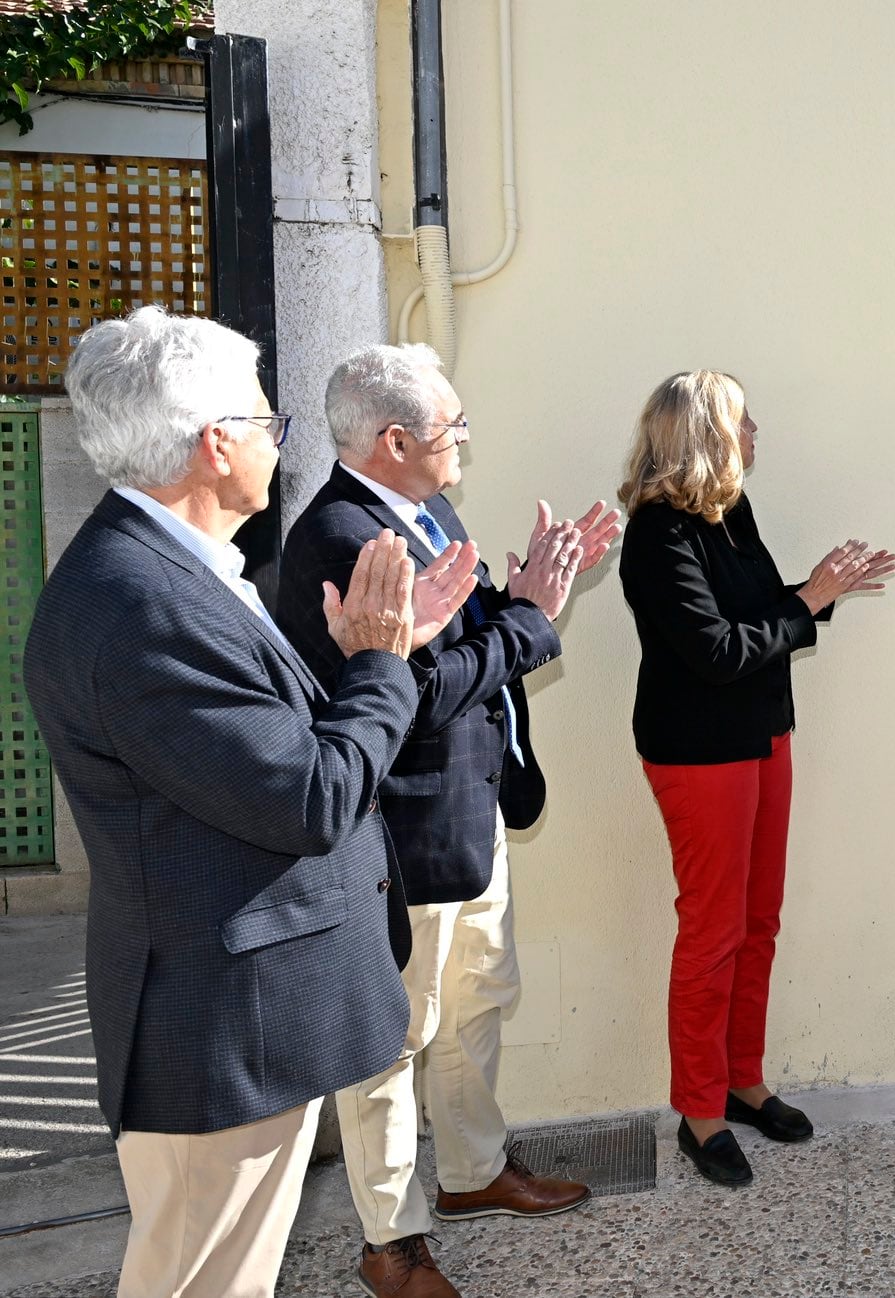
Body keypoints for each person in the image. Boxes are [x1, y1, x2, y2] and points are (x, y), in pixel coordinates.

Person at [22, 308, 477, 1298]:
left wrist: (396, 640)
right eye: (268, 420)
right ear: (214, 441)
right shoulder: (139, 601)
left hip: (242, 1011)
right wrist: (383, 663)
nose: (281, 439)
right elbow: (308, 796)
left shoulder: (169, 568)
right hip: (218, 1027)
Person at [278, 344, 621, 1298]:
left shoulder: (421, 507)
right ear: (393, 441)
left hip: (469, 809)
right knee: (392, 1037)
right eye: (450, 427)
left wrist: (516, 602)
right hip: (403, 831)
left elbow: (460, 648)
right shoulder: (351, 538)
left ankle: (472, 1175)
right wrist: (534, 618)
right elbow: (410, 695)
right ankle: (391, 1241)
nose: (464, 438)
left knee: (474, 999)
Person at [617, 371, 895, 1186]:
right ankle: (699, 1114)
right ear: (705, 431)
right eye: (743, 419)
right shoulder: (658, 535)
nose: (757, 429)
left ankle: (743, 1082)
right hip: (699, 752)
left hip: (764, 736)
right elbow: (716, 652)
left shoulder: (729, 513)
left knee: (758, 921)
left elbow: (757, 615)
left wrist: (818, 591)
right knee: (711, 932)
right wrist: (808, 600)